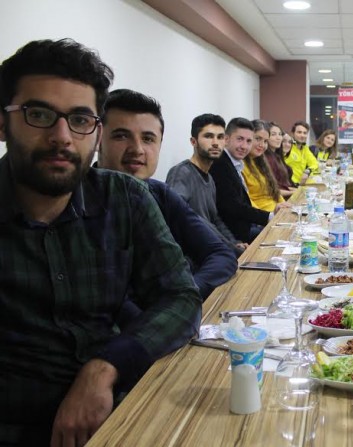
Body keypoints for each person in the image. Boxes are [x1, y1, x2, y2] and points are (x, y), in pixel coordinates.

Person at [0, 38, 200, 446]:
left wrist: (105, 367)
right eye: (39, 114)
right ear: (3, 124)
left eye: (79, 119)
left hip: (119, 407)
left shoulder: (124, 197)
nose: (62, 136)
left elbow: (180, 297)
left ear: (95, 131)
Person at [98, 89, 238, 300]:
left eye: (148, 138)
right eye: (121, 136)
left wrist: (185, 297)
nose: (137, 149)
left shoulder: (160, 193)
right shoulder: (78, 202)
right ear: (97, 139)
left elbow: (221, 254)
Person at [166, 113, 247, 257]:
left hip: (215, 250)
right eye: (208, 136)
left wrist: (234, 242)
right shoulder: (181, 173)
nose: (215, 143)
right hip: (194, 255)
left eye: (220, 137)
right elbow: (185, 219)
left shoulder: (209, 178)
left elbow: (215, 220)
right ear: (193, 141)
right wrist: (231, 249)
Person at [210, 117, 291, 243]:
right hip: (238, 235)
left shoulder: (237, 162)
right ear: (226, 139)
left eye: (248, 141)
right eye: (240, 139)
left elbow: (273, 192)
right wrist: (269, 216)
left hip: (249, 225)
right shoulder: (220, 164)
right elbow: (233, 207)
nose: (244, 146)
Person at [243, 119, 285, 212]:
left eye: (265, 141)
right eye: (258, 139)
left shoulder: (261, 162)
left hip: (275, 212)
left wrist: (285, 206)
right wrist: (269, 215)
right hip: (262, 215)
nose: (262, 145)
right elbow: (247, 201)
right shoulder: (240, 165)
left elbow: (275, 193)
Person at [264, 122, 296, 198]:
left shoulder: (277, 156)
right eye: (273, 134)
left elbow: (283, 186)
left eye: (280, 134)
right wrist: (294, 192)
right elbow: (271, 190)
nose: (278, 138)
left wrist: (298, 190)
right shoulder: (266, 159)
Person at [285, 120, 319, 184]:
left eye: (305, 133)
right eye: (299, 132)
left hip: (301, 184)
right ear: (292, 134)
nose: (302, 135)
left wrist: (307, 171)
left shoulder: (305, 148)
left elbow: (315, 163)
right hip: (289, 185)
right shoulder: (287, 147)